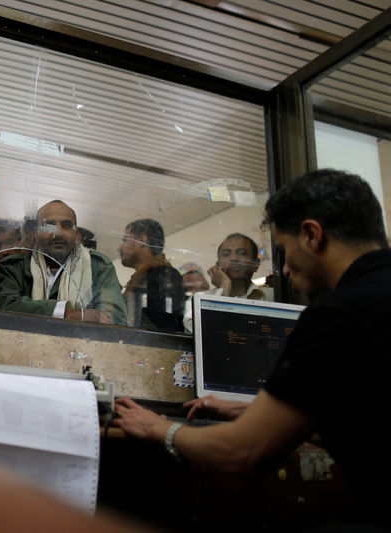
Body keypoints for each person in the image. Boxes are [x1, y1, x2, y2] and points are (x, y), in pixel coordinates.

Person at [113, 169, 391, 530]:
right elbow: (369, 425)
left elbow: (244, 453)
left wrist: (159, 428)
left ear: (311, 235)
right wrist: (257, 412)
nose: (287, 269)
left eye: (285, 251)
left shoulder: (338, 314)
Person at [0, 200, 126, 324]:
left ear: (77, 234)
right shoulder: (15, 266)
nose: (58, 233)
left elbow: (114, 320)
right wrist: (65, 312)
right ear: (36, 233)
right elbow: (1, 305)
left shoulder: (97, 266)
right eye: (49, 226)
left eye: (66, 226)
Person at [182, 233, 273, 332]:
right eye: (226, 254)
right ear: (217, 265)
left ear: (256, 264)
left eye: (242, 253)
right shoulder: (198, 300)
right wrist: (224, 289)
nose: (233, 259)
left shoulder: (273, 296)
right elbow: (206, 334)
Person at [119, 219, 185, 331]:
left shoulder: (164, 275)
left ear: (142, 240)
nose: (120, 248)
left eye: (125, 240)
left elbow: (164, 328)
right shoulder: (148, 276)